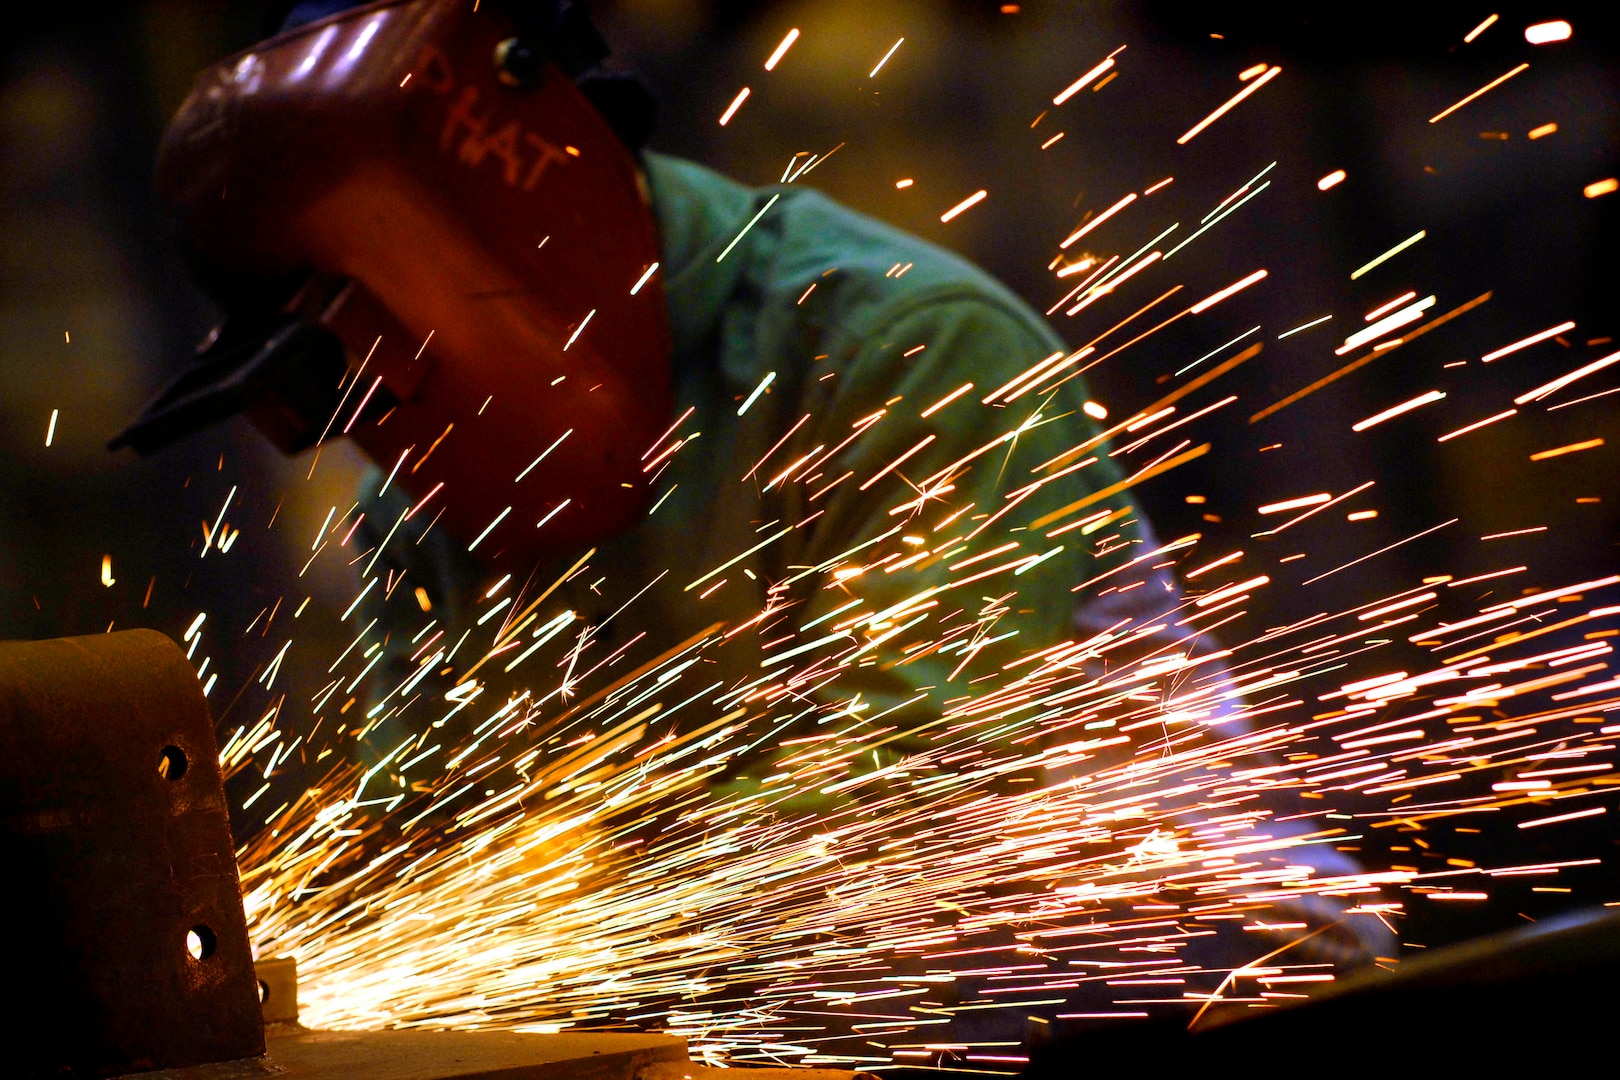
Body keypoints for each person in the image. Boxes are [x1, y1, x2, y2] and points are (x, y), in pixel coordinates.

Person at [120, 0, 1392, 1052]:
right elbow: (422, 844)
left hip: (1178, 992)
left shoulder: (897, 350)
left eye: (381, 362)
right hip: (779, 1034)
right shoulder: (426, 504)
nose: (381, 436)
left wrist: (589, 887)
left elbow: (900, 818)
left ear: (518, 218)